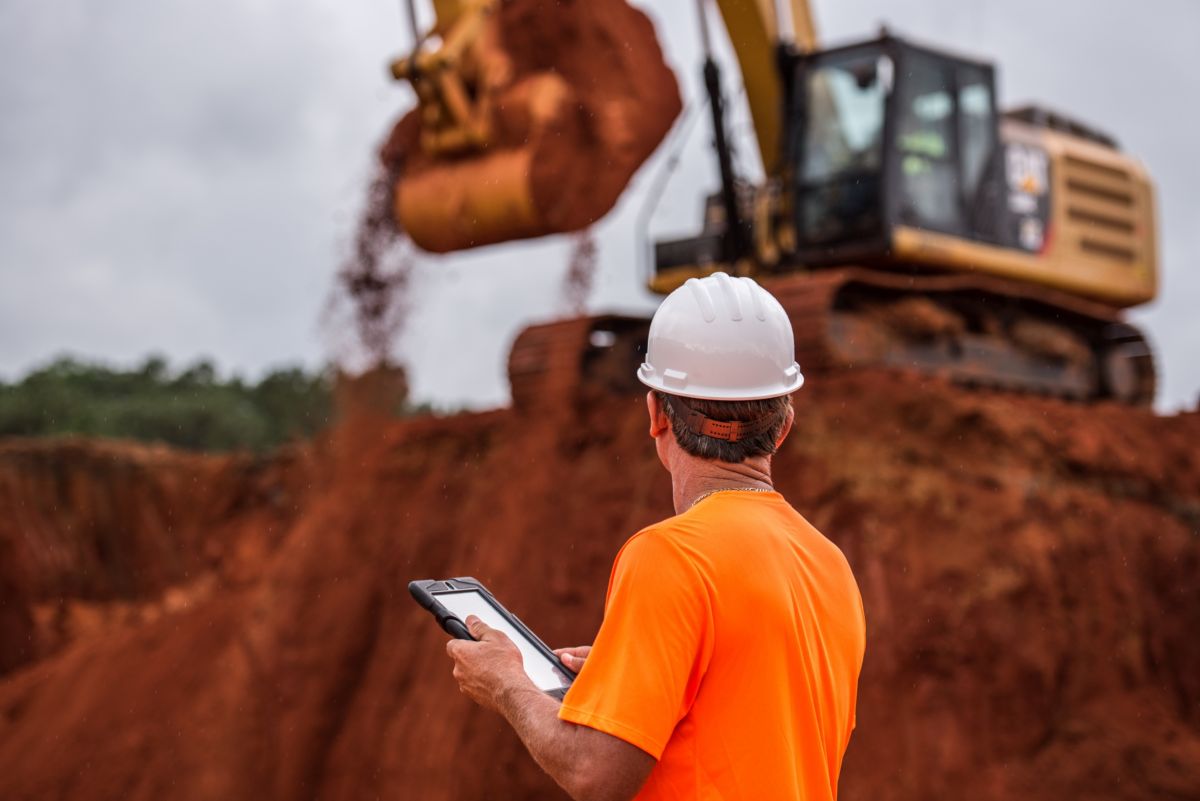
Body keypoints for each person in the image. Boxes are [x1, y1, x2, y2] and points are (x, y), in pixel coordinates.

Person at [446, 272, 867, 800]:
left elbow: (596, 775)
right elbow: (751, 718)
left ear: (655, 416)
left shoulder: (671, 557)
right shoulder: (831, 566)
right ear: (783, 427)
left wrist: (506, 682)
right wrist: (639, 672)